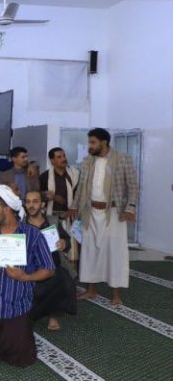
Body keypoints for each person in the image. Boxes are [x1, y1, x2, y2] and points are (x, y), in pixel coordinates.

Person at [0, 185, 54, 367]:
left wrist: (25, 277)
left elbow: (49, 269)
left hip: (16, 305)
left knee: (23, 359)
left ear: (7, 209)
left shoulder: (33, 235)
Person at [69, 128, 138, 306]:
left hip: (114, 214)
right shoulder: (87, 161)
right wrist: (74, 207)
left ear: (104, 142)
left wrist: (130, 208)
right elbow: (81, 187)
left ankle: (116, 294)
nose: (89, 146)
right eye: (89, 142)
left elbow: (133, 186)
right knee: (89, 251)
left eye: (93, 142)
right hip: (90, 212)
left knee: (115, 252)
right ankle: (91, 289)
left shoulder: (122, 159)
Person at [24, 191, 76, 331]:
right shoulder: (20, 225)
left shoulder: (53, 221)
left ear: (42, 204)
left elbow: (66, 240)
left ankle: (53, 315)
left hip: (53, 265)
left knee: (63, 278)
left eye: (35, 202)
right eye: (28, 202)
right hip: (31, 268)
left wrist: (63, 243)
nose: (31, 205)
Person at [40, 147, 79, 225]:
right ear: (52, 161)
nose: (63, 159)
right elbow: (39, 195)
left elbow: (80, 194)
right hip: (51, 216)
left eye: (64, 156)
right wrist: (51, 196)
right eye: (59, 157)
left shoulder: (75, 174)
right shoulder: (44, 176)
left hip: (71, 215)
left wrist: (73, 209)